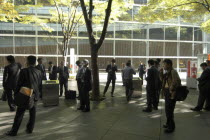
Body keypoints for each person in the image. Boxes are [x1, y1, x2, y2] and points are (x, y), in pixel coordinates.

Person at [5, 56, 42, 136]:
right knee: (33, 113)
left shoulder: (24, 71)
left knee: (19, 114)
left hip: (25, 94)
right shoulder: (39, 71)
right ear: (35, 62)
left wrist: (16, 94)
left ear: (28, 62)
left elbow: (19, 84)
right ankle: (30, 129)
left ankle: (13, 132)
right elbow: (39, 84)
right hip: (35, 95)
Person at [160, 59, 181, 133]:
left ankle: (171, 127)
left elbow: (176, 81)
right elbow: (163, 81)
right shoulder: (167, 72)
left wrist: (170, 89)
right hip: (167, 93)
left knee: (169, 111)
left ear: (169, 64)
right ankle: (168, 123)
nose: (163, 66)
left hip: (171, 94)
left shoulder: (173, 71)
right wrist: (161, 74)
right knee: (167, 110)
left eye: (164, 64)